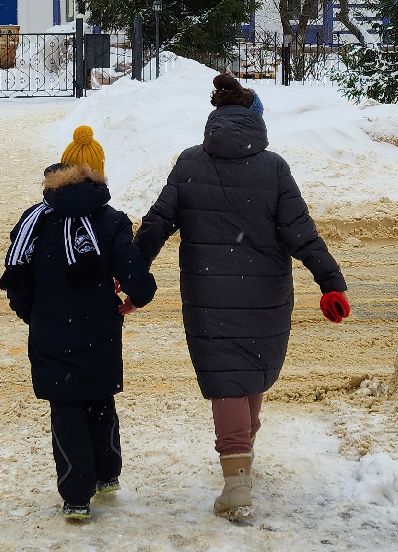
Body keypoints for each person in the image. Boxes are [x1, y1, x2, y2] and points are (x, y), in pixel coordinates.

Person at [135, 94, 348, 524]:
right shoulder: (273, 168)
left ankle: (237, 479)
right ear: (258, 124)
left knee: (228, 377)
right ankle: (241, 465)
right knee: (251, 368)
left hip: (208, 293)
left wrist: (133, 272)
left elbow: (157, 221)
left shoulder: (190, 163)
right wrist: (330, 281)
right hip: (266, 292)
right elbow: (301, 233)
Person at [0, 127, 156, 524]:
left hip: (50, 330)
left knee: (66, 409)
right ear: (98, 175)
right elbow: (134, 273)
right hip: (100, 328)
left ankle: (75, 496)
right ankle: (107, 476)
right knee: (101, 400)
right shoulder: (111, 221)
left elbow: (16, 277)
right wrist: (136, 297)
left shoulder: (34, 220)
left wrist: (33, 314)